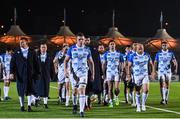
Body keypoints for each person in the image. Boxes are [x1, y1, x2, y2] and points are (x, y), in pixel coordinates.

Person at [64, 32, 94, 117]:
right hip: (74, 73)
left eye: (82, 39)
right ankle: (74, 105)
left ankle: (81, 111)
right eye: (79, 39)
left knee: (82, 90)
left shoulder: (87, 49)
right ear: (76, 40)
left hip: (84, 73)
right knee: (74, 92)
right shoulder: (71, 48)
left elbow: (91, 62)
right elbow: (66, 60)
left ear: (84, 40)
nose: (81, 41)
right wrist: (66, 71)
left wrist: (93, 74)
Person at [10, 37, 40, 112]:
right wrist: (11, 73)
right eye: (20, 42)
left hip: (30, 75)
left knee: (29, 90)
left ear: (27, 42)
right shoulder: (16, 52)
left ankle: (29, 106)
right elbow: (12, 63)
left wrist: (38, 73)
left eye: (22, 42)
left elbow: (37, 64)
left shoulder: (32, 52)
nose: (21, 43)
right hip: (20, 75)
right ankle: (22, 106)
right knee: (21, 91)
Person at [127, 44, 154, 112]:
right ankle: (138, 106)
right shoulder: (132, 56)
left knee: (146, 90)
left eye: (142, 47)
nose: (140, 48)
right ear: (136, 49)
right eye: (139, 48)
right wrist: (129, 75)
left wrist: (153, 72)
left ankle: (143, 104)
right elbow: (129, 66)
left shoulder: (147, 55)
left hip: (145, 75)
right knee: (138, 91)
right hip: (137, 76)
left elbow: (151, 64)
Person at [102, 40, 124, 108]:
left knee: (116, 88)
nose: (112, 45)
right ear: (109, 46)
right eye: (111, 44)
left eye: (113, 44)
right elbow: (104, 64)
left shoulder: (119, 54)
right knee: (110, 88)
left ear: (115, 45)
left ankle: (116, 96)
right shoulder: (106, 54)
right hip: (109, 72)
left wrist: (122, 71)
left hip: (116, 72)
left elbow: (122, 63)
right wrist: (103, 73)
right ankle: (111, 101)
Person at [37, 43, 54, 108]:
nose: (43, 49)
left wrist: (52, 75)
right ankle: (36, 100)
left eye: (44, 47)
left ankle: (45, 103)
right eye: (42, 47)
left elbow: (52, 67)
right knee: (38, 88)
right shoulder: (36, 55)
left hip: (46, 75)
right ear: (40, 48)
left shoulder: (49, 56)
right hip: (38, 75)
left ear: (46, 48)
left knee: (46, 88)